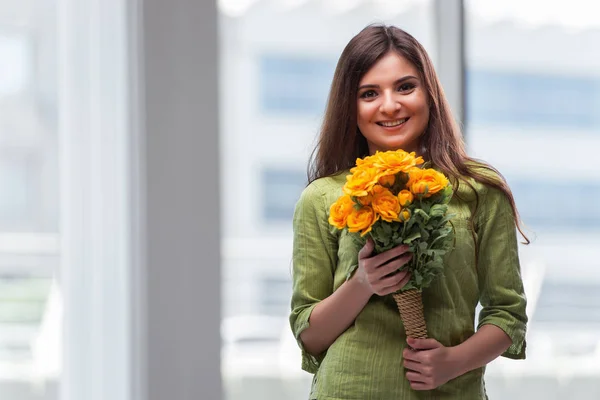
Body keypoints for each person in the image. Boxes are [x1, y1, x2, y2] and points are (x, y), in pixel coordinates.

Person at [289, 24, 528, 399]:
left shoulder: (479, 190)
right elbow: (309, 334)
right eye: (369, 93)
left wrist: (453, 361)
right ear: (350, 107)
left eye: (405, 87)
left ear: (429, 93)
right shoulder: (322, 198)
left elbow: (507, 314)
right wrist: (363, 283)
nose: (390, 105)